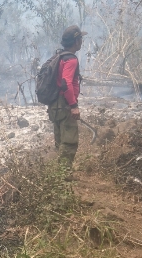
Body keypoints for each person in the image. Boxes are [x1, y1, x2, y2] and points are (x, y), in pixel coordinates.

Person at [48, 25, 87, 169]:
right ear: (76, 41)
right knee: (69, 142)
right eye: (81, 39)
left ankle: (58, 174)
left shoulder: (59, 57)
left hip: (55, 105)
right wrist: (73, 105)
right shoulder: (71, 60)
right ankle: (64, 175)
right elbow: (66, 83)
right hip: (64, 104)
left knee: (60, 142)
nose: (82, 42)